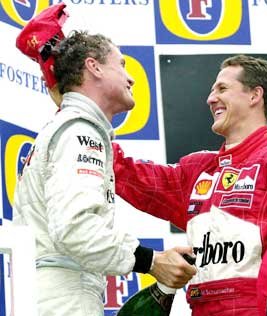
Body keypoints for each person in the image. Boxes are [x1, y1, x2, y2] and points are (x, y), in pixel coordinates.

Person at [112, 54, 267, 315]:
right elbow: (125, 172)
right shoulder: (197, 170)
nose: (211, 99)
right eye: (213, 91)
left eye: (222, 89)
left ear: (254, 95)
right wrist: (87, 118)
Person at [13, 30, 197, 316]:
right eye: (121, 64)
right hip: (64, 298)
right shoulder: (79, 132)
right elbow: (76, 228)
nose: (131, 77)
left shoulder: (67, 129)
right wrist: (151, 261)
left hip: (53, 292)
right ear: (93, 67)